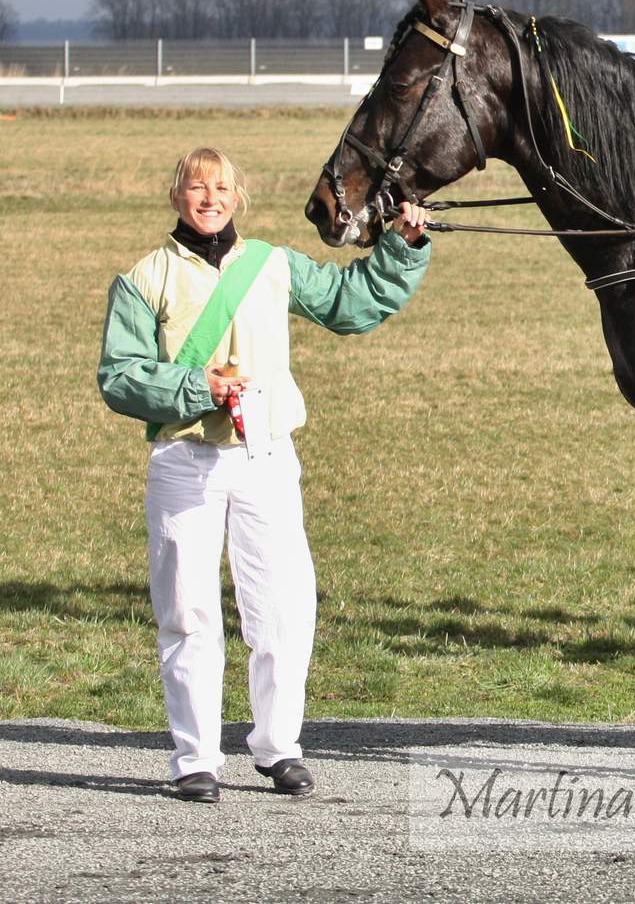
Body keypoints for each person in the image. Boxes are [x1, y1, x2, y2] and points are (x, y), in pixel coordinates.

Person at [98, 147, 432, 803]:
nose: (209, 198)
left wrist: (404, 246)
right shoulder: (143, 279)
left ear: (237, 196)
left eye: (220, 186)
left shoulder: (272, 264)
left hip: (266, 459)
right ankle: (195, 758)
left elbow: (348, 301)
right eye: (196, 187)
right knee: (188, 613)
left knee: (282, 610)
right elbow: (119, 375)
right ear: (175, 197)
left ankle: (278, 747)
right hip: (183, 462)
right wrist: (198, 386)